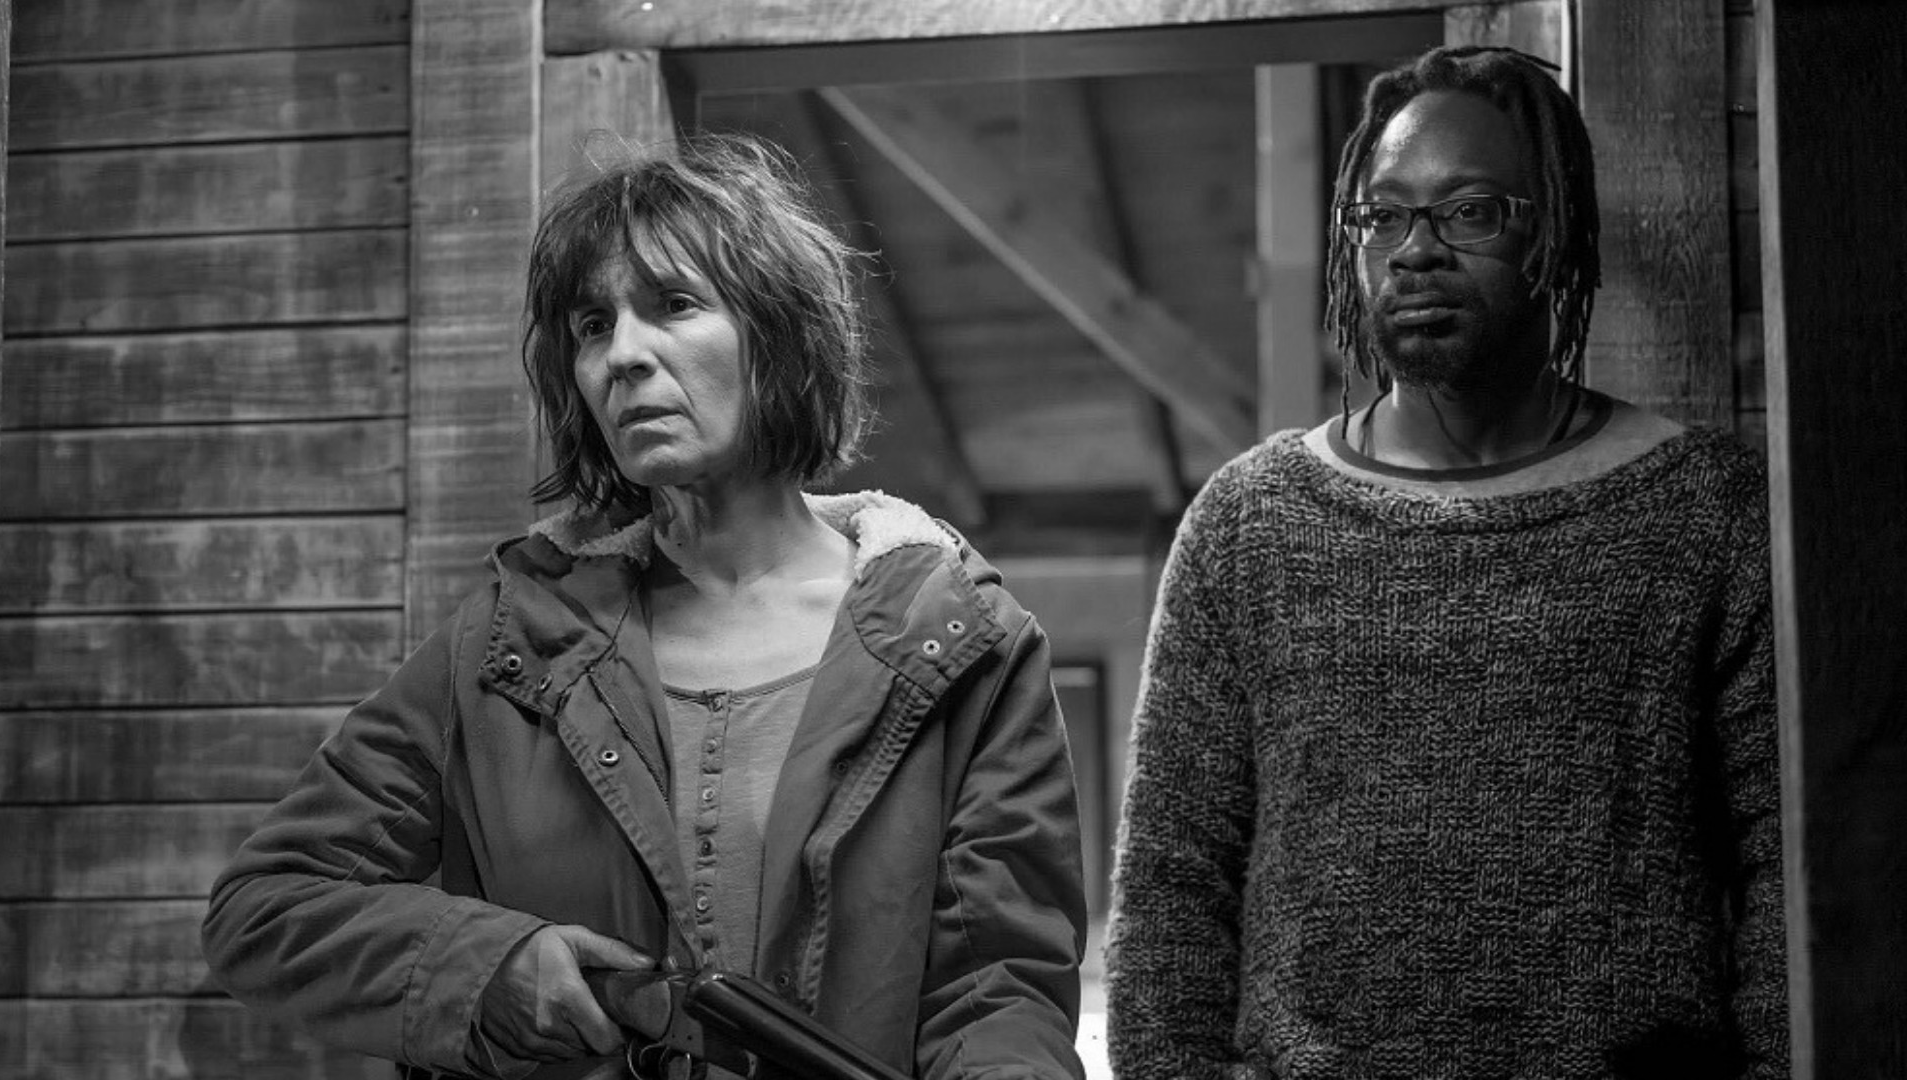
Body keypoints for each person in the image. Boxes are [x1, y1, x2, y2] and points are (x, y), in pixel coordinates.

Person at [203, 133, 1088, 1080]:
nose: (622, 355)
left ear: (780, 334)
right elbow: (268, 905)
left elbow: (998, 989)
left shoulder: (960, 644)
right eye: (593, 325)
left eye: (674, 304)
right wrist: (489, 969)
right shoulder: (514, 640)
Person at [1105, 45, 1786, 1080]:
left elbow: (1793, 869)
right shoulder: (1249, 524)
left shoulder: (1705, 511)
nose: (1415, 252)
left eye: (1469, 212)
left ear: (1551, 233)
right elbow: (1171, 886)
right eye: (1383, 217)